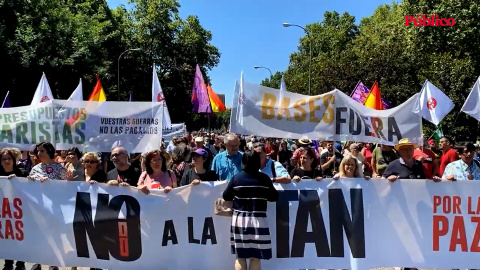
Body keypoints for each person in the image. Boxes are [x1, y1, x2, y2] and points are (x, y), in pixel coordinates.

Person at [223, 150, 278, 270]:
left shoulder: (236, 178)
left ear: (244, 162)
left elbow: (226, 196)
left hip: (239, 220)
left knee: (240, 256)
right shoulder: (264, 179)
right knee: (255, 256)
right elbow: (274, 197)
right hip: (259, 220)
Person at [0, 148, 26, 270]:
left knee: (20, 237)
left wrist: (19, 180)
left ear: (13, 160)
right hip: (4, 212)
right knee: (7, 237)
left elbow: (30, 187)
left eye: (9, 158)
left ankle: (20, 264)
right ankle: (8, 263)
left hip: (19, 211)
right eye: (4, 159)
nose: (6, 161)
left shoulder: (21, 172)